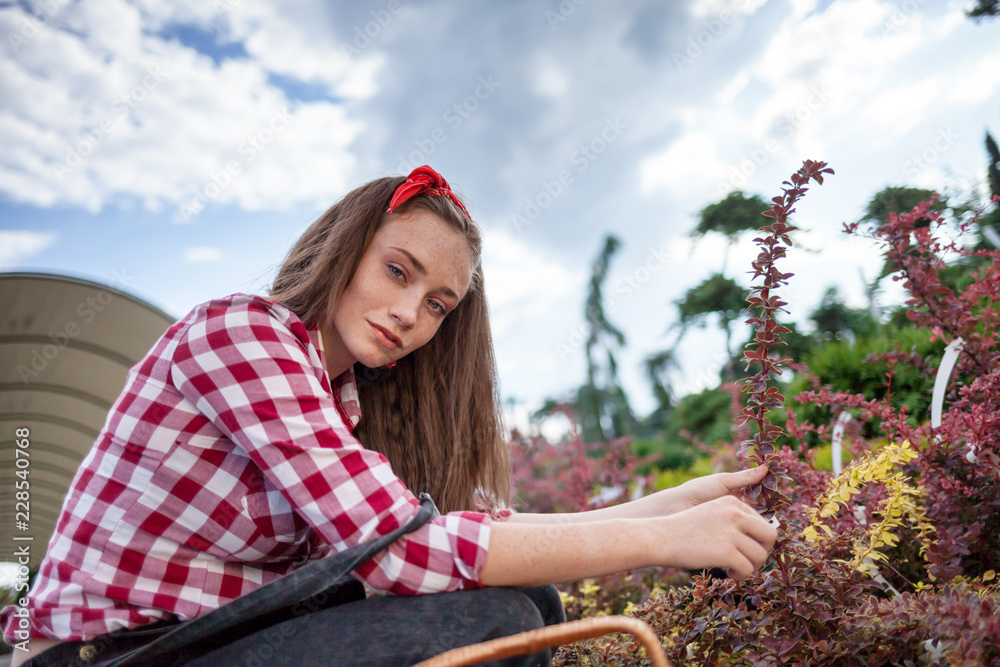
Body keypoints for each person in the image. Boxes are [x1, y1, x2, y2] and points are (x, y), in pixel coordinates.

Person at [1, 166, 777, 666]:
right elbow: (399, 556)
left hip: (185, 645)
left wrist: (661, 506)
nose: (409, 313)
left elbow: (445, 530)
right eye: (397, 271)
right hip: (93, 656)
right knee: (501, 618)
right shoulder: (240, 333)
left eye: (437, 304)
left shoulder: (339, 402)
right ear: (348, 248)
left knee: (526, 605)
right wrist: (656, 541)